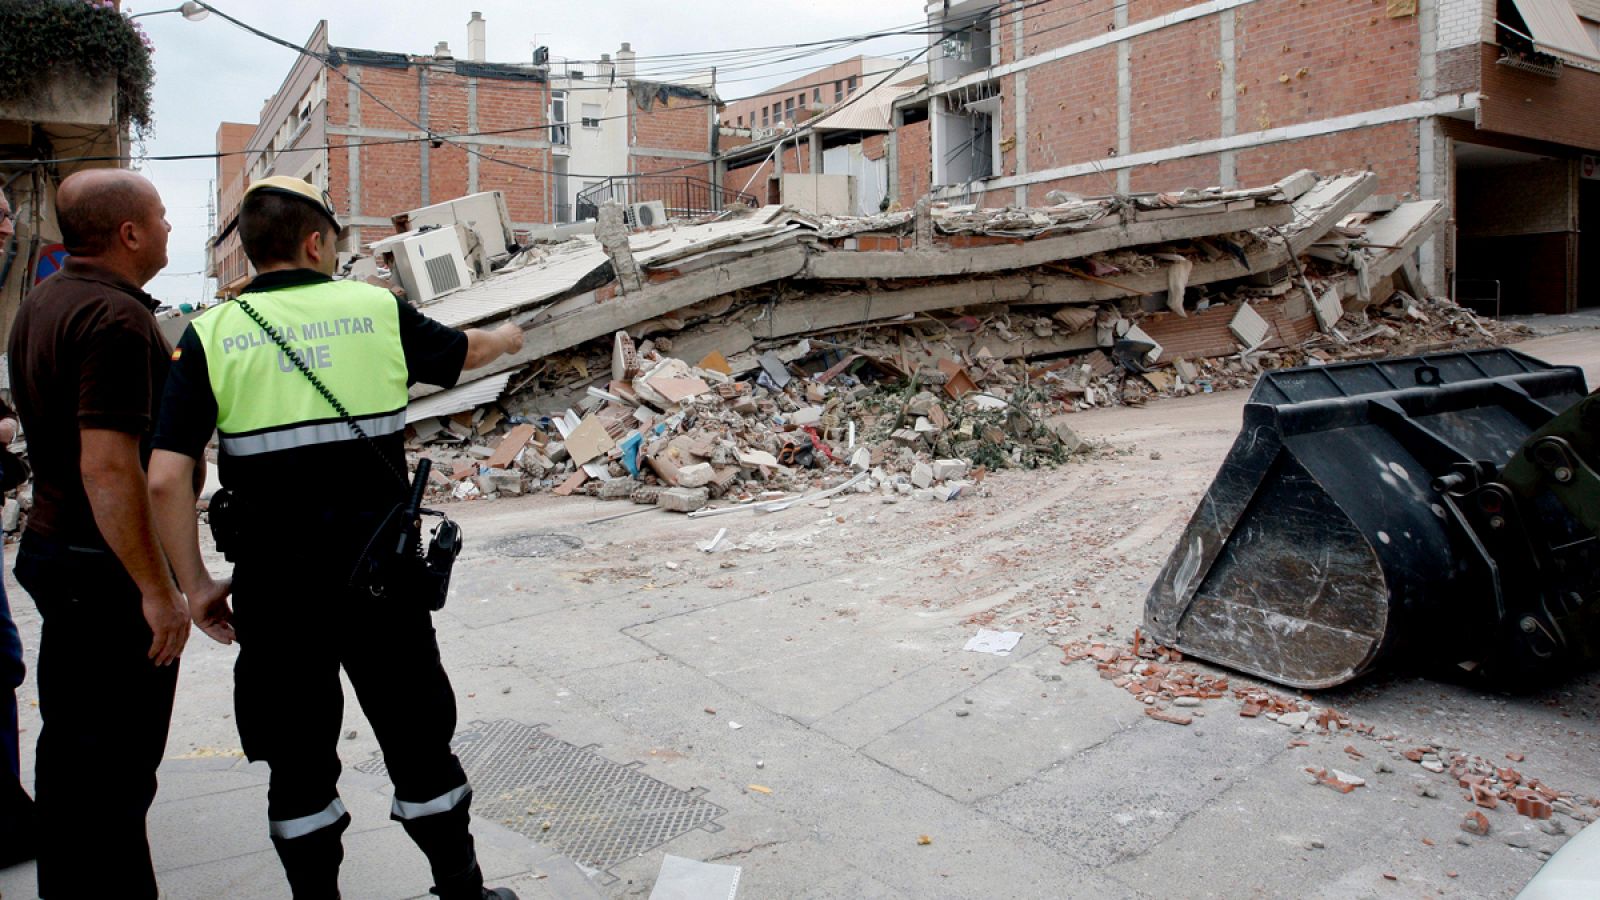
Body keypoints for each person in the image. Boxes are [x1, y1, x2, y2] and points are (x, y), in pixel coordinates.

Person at [148, 176, 524, 900]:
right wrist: (510, 335)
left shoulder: (212, 334)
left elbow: (166, 479)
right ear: (316, 242)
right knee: (419, 742)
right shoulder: (374, 309)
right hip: (382, 579)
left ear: (250, 251)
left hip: (276, 590)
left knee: (297, 764)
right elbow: (466, 351)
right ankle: (462, 891)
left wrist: (194, 588)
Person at [7, 169, 195, 898]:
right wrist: (157, 589)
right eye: (162, 216)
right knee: (115, 774)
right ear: (129, 233)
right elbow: (110, 468)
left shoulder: (46, 300)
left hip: (59, 553)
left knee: (73, 759)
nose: (170, 227)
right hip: (104, 572)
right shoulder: (114, 320)